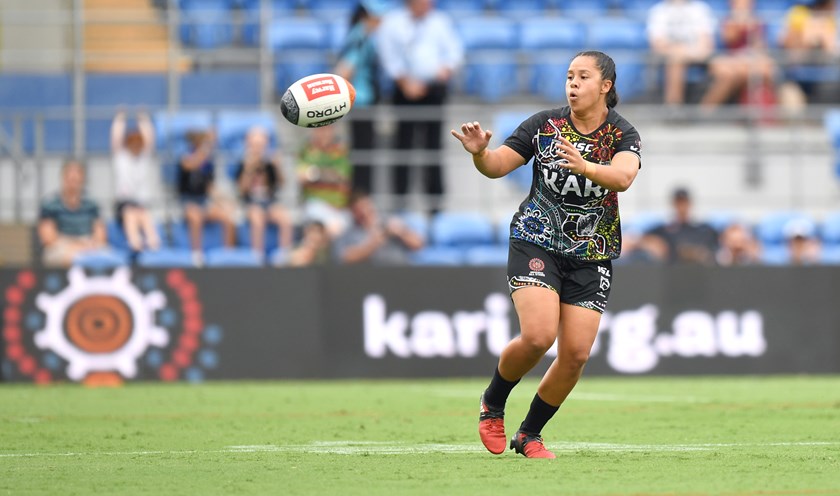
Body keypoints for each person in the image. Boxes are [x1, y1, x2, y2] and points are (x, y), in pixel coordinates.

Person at [450, 51, 642, 458]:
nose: (572, 83)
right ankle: (493, 403)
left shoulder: (623, 134)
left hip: (592, 251)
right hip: (536, 240)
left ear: (605, 86)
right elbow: (499, 165)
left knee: (574, 356)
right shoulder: (544, 126)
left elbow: (624, 176)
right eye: (569, 76)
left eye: (583, 76)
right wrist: (480, 153)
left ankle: (529, 434)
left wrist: (586, 165)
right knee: (539, 335)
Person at [376, 0, 464, 212]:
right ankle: (400, 199)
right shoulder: (393, 22)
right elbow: (388, 56)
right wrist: (405, 82)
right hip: (404, 90)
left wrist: (445, 70)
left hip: (434, 90)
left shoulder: (440, 21)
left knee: (433, 145)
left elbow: (455, 53)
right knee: (402, 144)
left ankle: (435, 202)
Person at [334, 0, 387, 195]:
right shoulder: (360, 36)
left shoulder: (361, 35)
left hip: (362, 101)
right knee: (362, 154)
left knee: (363, 152)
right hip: (361, 102)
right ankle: (361, 196)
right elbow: (345, 69)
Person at [699, 0, 777, 111]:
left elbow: (760, 47)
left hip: (747, 61)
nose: (742, 5)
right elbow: (728, 39)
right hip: (730, 59)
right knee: (731, 75)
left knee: (762, 71)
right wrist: (741, 25)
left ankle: (759, 115)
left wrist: (753, 30)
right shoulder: (728, 20)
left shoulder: (758, 21)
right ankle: (705, 111)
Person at [177, 129, 236, 263]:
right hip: (187, 201)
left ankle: (228, 254)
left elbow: (209, 187)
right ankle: (197, 254)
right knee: (195, 216)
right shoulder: (185, 156)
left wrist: (224, 203)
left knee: (228, 217)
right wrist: (207, 146)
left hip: (203, 202)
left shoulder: (208, 163)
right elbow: (191, 165)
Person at [234, 126, 293, 256]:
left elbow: (281, 184)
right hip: (250, 204)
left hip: (269, 202)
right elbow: (242, 190)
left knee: (285, 219)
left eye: (261, 145)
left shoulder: (270, 163)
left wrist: (277, 167)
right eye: (255, 145)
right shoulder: (243, 163)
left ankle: (284, 255)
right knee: (257, 218)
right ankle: (257, 255)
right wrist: (249, 170)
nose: (258, 148)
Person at [38, 160, 107, 267]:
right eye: (70, 177)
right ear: (63, 178)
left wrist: (88, 245)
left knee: (109, 257)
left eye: (76, 178)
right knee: (70, 257)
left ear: (82, 179)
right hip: (61, 245)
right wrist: (76, 247)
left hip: (88, 243)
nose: (73, 181)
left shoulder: (92, 204)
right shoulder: (50, 204)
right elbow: (48, 239)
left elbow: (100, 235)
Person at [647, 0, 717, 106]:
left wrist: (683, 51)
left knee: (727, 70)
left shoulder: (701, 9)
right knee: (676, 60)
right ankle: (674, 108)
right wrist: (680, 52)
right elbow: (658, 45)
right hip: (671, 56)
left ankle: (706, 111)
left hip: (698, 56)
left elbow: (707, 45)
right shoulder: (658, 11)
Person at [110, 109, 161, 253]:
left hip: (141, 204)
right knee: (130, 214)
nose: (136, 146)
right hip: (124, 203)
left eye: (139, 143)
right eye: (132, 143)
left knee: (144, 215)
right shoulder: (121, 158)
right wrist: (120, 120)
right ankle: (135, 243)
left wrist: (143, 120)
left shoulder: (144, 158)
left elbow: (150, 139)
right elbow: (115, 139)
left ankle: (153, 243)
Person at [333, 190, 425, 265]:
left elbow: (418, 244)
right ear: (352, 212)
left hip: (400, 273)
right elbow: (344, 258)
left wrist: (401, 232)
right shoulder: (349, 232)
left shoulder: (389, 221)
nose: (364, 212)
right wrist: (373, 244)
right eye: (359, 210)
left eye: (366, 206)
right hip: (369, 278)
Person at [295, 125, 353, 237]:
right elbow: (302, 177)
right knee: (332, 228)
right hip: (315, 205)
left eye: (328, 129)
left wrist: (315, 173)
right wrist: (329, 174)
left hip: (339, 208)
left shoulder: (340, 151)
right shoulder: (306, 150)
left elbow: (342, 177)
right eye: (321, 130)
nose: (324, 133)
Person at [777, 0, 837, 107]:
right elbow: (787, 48)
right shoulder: (798, 13)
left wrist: (822, 38)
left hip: (822, 78)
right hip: (795, 76)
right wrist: (807, 39)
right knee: (791, 100)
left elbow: (832, 51)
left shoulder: (830, 19)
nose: (834, 6)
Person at [645, 187, 719, 265]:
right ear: (674, 204)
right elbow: (643, 239)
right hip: (673, 272)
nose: (681, 206)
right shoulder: (665, 231)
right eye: (679, 203)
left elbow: (718, 248)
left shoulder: (704, 230)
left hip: (700, 272)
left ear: (689, 204)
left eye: (684, 202)